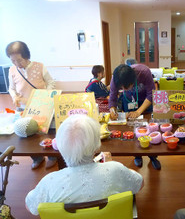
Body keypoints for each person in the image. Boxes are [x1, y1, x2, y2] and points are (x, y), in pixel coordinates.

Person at [25, 114, 144, 216]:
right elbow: (139, 183)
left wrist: (38, 188)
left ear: (59, 147)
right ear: (96, 146)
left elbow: (30, 207)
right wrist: (110, 166)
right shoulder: (115, 169)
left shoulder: (49, 182)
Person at [6, 41, 57, 169]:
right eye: (13, 61)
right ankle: (37, 158)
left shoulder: (39, 66)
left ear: (26, 56)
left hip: (42, 105)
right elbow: (11, 88)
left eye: (19, 60)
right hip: (23, 107)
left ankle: (52, 156)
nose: (17, 64)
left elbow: (51, 82)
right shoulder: (12, 70)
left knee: (46, 132)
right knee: (27, 134)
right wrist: (14, 96)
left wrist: (46, 94)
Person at [108, 62, 161, 170]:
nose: (124, 88)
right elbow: (112, 96)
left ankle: (153, 156)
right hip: (128, 101)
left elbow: (152, 94)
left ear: (133, 80)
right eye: (122, 87)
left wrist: (138, 112)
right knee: (132, 129)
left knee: (148, 128)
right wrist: (112, 110)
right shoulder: (116, 77)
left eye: (126, 86)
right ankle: (137, 155)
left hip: (145, 102)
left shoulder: (144, 72)